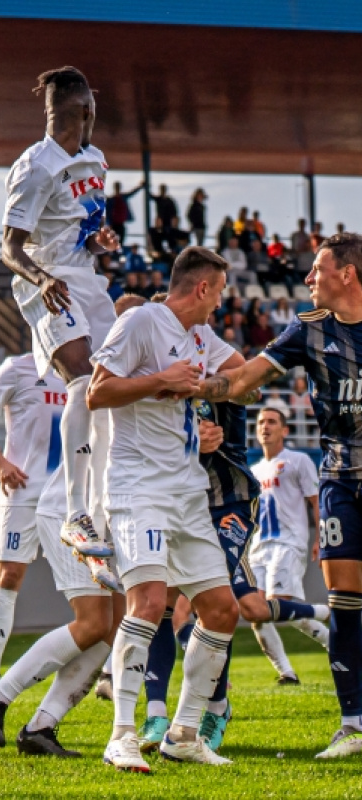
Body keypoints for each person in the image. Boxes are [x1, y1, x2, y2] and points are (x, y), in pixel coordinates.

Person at [196, 232, 362, 759]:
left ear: (347, 274)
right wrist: (185, 388)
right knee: (345, 605)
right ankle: (354, 726)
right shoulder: (307, 332)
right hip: (340, 481)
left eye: (317, 268)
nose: (308, 277)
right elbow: (244, 379)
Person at [89, 246, 241, 770]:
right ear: (202, 288)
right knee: (150, 602)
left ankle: (183, 734)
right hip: (138, 488)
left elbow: (240, 377)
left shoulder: (200, 337)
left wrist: (206, 388)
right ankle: (122, 735)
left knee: (223, 610)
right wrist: (164, 381)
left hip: (186, 490)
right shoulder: (141, 322)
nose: (219, 305)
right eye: (218, 293)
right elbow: (97, 392)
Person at [1, 66, 119, 563]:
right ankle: (75, 513)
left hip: (86, 276)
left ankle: (103, 507)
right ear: (86, 111)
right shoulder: (34, 168)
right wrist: (44, 280)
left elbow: (83, 225)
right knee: (81, 383)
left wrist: (99, 240)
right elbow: (9, 248)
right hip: (46, 282)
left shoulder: (94, 160)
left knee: (114, 385)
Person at [0, 455, 120, 757]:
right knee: (93, 622)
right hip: (73, 514)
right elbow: (88, 410)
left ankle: (40, 728)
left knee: (115, 625)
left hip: (113, 512)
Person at [0, 354, 72, 700]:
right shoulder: (17, 367)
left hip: (71, 496)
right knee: (9, 575)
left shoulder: (84, 368)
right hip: (24, 490)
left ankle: (107, 672)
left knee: (96, 582)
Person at [248, 407, 328, 683]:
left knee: (280, 605)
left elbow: (315, 502)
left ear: (285, 430)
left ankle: (337, 646)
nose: (265, 426)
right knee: (255, 612)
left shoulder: (298, 461)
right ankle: (286, 673)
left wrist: (320, 537)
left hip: (288, 543)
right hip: (259, 547)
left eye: (271, 421)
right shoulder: (254, 471)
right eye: (260, 422)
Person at [106, 180, 144, 246]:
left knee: (120, 242)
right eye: (116, 188)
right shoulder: (111, 199)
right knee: (112, 241)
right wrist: (109, 223)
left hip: (121, 224)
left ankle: (118, 252)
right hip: (114, 224)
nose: (117, 189)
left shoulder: (122, 197)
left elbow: (132, 192)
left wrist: (140, 186)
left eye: (118, 188)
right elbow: (108, 213)